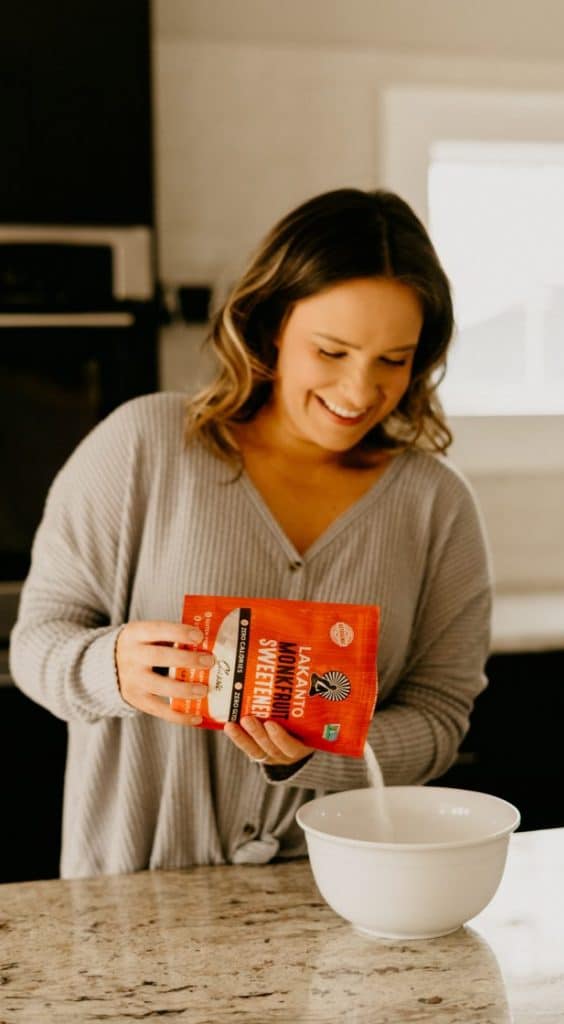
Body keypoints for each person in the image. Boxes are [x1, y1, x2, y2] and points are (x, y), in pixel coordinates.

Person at [10, 188, 492, 879]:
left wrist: (311, 754)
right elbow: (35, 644)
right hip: (133, 900)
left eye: (393, 360)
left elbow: (440, 722)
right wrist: (107, 667)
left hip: (336, 898)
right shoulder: (143, 447)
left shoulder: (435, 505)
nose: (359, 392)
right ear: (269, 328)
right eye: (331, 351)